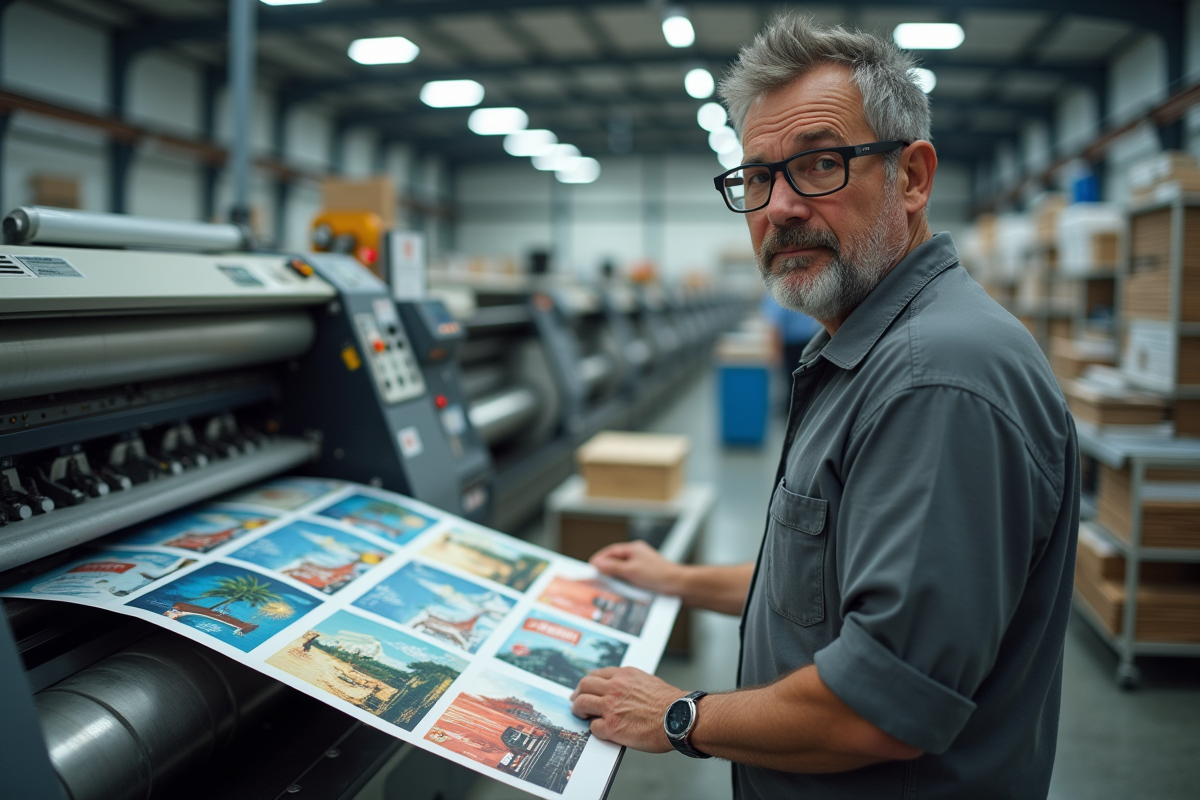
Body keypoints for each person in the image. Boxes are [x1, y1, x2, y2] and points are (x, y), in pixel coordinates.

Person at [569, 15, 1078, 800]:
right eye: (758, 177)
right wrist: (679, 580)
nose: (780, 207)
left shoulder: (935, 377)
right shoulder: (863, 347)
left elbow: (879, 709)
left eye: (819, 165)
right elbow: (828, 587)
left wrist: (681, 716)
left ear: (912, 177)